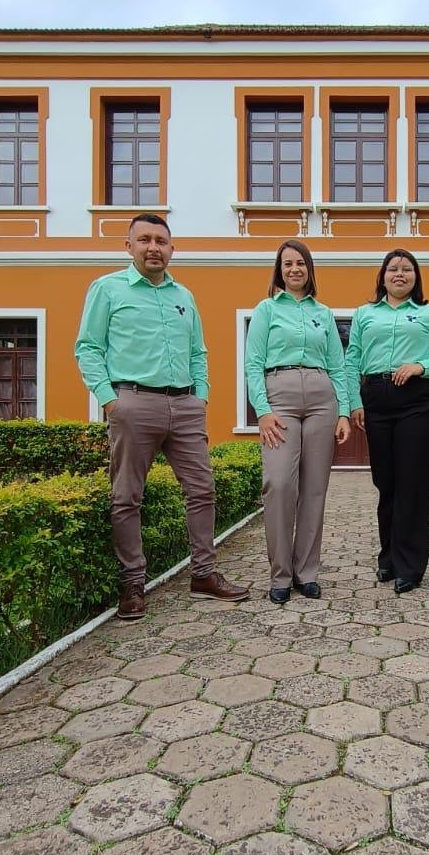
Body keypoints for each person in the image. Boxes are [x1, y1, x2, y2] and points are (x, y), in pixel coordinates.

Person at [75, 213, 249, 620]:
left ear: (172, 248)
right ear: (129, 246)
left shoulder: (183, 295)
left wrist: (200, 397)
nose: (154, 247)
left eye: (161, 241)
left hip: (186, 406)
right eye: (145, 240)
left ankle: (203, 574)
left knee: (202, 489)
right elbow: (88, 348)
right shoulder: (107, 289)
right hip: (133, 403)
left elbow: (198, 352)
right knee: (127, 496)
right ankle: (132, 584)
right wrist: (109, 399)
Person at [244, 239, 350, 603]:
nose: (294, 270)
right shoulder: (265, 310)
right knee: (278, 483)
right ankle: (280, 574)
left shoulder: (323, 312)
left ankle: (307, 572)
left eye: (300, 263)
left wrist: (343, 411)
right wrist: (262, 410)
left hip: (322, 398)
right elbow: (253, 363)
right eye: (288, 264)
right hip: (280, 397)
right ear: (280, 270)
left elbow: (338, 364)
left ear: (309, 269)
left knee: (315, 488)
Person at [345, 249, 429, 594]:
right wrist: (353, 402)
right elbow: (352, 360)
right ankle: (389, 557)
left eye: (407, 269)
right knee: (387, 482)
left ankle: (411, 565)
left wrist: (421, 366)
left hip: (417, 402)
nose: (399, 274)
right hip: (377, 399)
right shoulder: (364, 315)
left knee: (414, 484)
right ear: (382, 277)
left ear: (415, 277)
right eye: (392, 268)